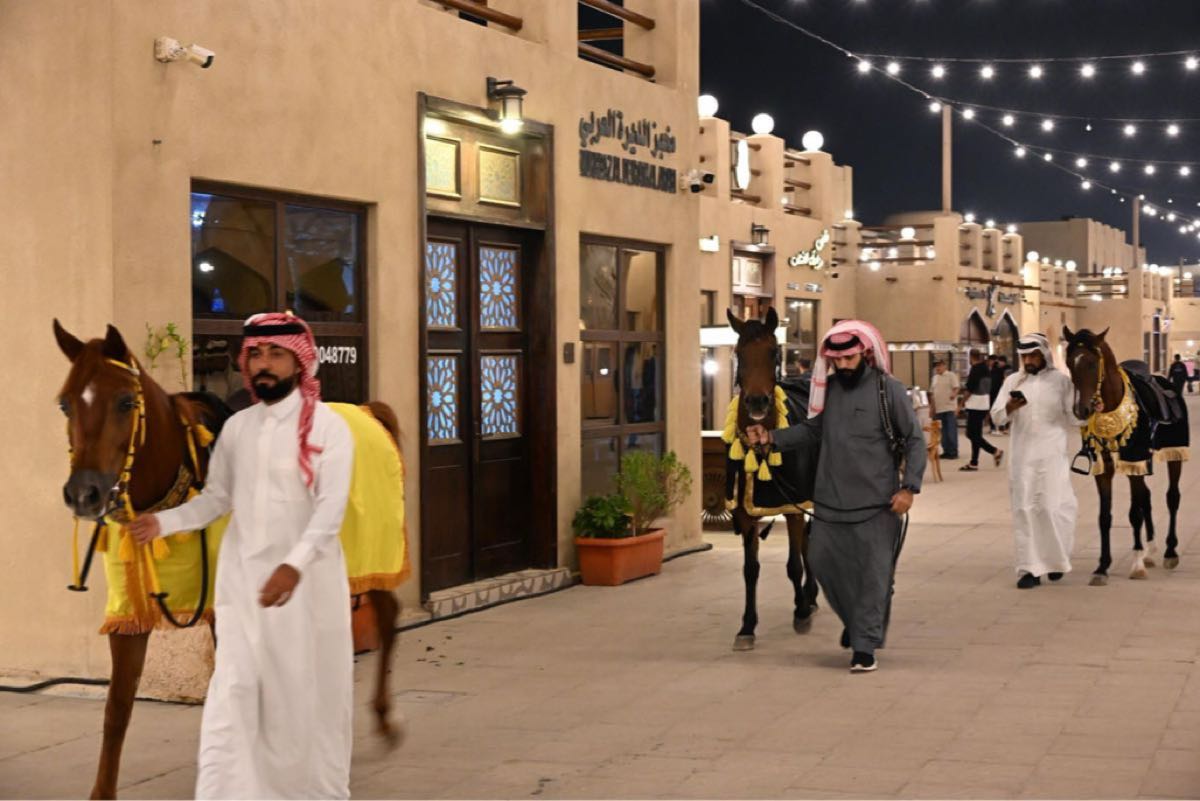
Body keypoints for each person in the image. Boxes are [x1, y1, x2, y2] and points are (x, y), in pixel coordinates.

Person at [130, 311, 355, 799]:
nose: (263, 364)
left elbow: (330, 512)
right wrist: (163, 522)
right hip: (243, 587)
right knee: (233, 694)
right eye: (255, 354)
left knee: (303, 699)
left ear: (300, 362)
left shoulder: (330, 429)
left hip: (308, 593)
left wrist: (293, 567)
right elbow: (217, 500)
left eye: (276, 354)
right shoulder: (237, 429)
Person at [745, 320, 926, 673]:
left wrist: (909, 487)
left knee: (873, 575)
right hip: (830, 501)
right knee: (824, 564)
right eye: (836, 360)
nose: (842, 366)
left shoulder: (888, 390)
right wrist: (771, 439)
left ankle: (864, 646)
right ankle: (858, 623)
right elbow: (813, 431)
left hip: (877, 503)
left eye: (849, 359)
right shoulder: (828, 390)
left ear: (865, 354)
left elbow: (914, 440)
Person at [989, 333, 1081, 589]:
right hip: (1023, 458)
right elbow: (996, 417)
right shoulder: (1012, 381)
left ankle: (1056, 562)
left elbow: (1075, 418)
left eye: (1033, 356)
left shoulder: (1061, 382)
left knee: (1053, 508)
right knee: (1025, 510)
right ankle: (1030, 569)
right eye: (1025, 356)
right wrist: (1010, 407)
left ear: (1044, 355)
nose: (1028, 360)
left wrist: (1090, 409)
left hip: (1052, 457)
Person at [961, 349, 1003, 471]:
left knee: (970, 434)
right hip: (984, 404)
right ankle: (974, 462)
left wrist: (961, 403)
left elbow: (970, 389)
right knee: (976, 435)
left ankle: (995, 451)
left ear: (971, 357)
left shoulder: (975, 369)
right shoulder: (986, 368)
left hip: (975, 405)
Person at [929, 358, 960, 459]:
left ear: (944, 366)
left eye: (939, 365)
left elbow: (956, 387)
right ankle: (946, 451)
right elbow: (932, 394)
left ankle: (953, 452)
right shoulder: (935, 378)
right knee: (942, 432)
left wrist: (953, 394)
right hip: (938, 409)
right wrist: (932, 408)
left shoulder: (951, 375)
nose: (937, 367)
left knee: (951, 431)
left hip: (949, 408)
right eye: (936, 366)